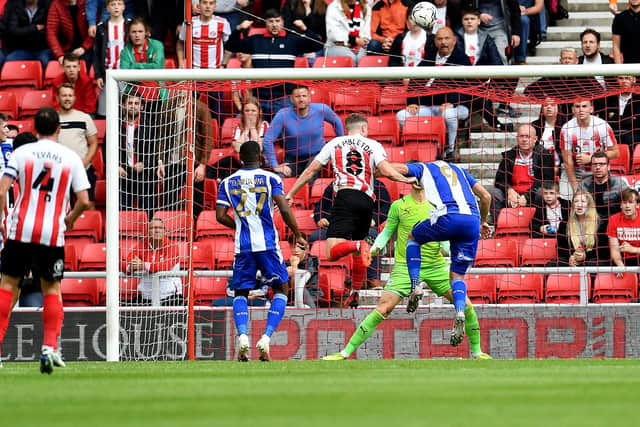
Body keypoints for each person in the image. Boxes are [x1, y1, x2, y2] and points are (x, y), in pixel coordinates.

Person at [323, 184, 491, 360]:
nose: (418, 180)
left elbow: (445, 243)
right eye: (414, 177)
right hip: (405, 265)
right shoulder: (399, 205)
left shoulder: (438, 207)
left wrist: (460, 247)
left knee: (465, 305)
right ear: (409, 181)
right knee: (384, 308)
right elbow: (387, 232)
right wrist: (374, 249)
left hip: (435, 265)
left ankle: (477, 352)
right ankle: (345, 353)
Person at [285, 113, 419, 308]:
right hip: (367, 201)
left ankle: (357, 246)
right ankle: (355, 291)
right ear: (364, 129)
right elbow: (386, 170)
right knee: (358, 254)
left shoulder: (334, 143)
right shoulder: (374, 145)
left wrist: (292, 192)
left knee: (331, 252)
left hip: (346, 196)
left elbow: (310, 171)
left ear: (348, 128)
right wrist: (406, 180)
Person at [0, 106, 91, 373]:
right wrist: (70, 220)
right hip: (52, 233)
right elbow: (85, 201)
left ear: (35, 128)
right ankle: (49, 348)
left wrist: (1, 219)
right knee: (51, 289)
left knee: (7, 286)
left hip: (20, 229)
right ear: (59, 129)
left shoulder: (21, 153)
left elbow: (3, 188)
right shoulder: (70, 157)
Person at [216, 140, 306, 362]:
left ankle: (243, 337)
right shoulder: (271, 178)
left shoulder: (227, 182)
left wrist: (239, 225)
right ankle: (265, 338)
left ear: (240, 158)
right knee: (282, 289)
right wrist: (298, 233)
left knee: (240, 293)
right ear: (261, 156)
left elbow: (219, 215)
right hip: (268, 245)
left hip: (243, 247)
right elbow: (283, 207)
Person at [390, 160, 492, 345]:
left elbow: (399, 168)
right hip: (471, 222)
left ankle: (415, 285)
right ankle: (460, 311)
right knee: (457, 276)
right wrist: (483, 222)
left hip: (449, 217)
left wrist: (380, 168)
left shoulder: (424, 167)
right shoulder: (460, 169)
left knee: (413, 237)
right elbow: (486, 197)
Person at [226, 9, 321, 119]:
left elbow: (318, 45)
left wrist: (304, 29)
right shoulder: (255, 40)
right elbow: (230, 46)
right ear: (265, 23)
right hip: (259, 99)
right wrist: (238, 29)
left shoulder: (292, 41)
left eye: (277, 21)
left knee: (284, 134)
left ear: (283, 22)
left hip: (283, 99)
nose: (274, 25)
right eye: (271, 21)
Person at [398, 26, 471, 160]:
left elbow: (466, 86)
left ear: (454, 40)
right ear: (435, 42)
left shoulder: (462, 59)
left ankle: (450, 149)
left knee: (448, 114)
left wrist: (452, 103)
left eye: (447, 38)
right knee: (402, 115)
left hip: (457, 107)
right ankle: (421, 147)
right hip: (430, 107)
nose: (443, 42)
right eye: (440, 39)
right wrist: (413, 102)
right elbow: (415, 82)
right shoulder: (429, 58)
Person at [262, 85, 344, 177]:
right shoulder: (283, 114)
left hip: (317, 155)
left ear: (309, 97)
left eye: (304, 96)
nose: (301, 99)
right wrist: (275, 165)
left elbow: (337, 121)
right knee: (279, 177)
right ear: (291, 99)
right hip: (293, 158)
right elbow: (267, 140)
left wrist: (339, 145)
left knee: (309, 175)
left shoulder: (321, 109)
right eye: (297, 97)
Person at [176, 0, 231, 122]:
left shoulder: (222, 23)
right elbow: (180, 43)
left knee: (217, 114)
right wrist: (181, 62)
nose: (207, 6)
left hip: (215, 74)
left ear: (215, 6)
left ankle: (218, 139)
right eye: (204, 3)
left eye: (211, 3)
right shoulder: (189, 23)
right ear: (198, 5)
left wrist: (223, 64)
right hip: (194, 74)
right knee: (190, 112)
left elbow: (229, 47)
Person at [492, 123, 555, 219]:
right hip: (513, 195)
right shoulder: (509, 156)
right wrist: (509, 191)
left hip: (534, 194)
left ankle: (539, 227)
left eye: (528, 137)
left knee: (542, 192)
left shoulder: (544, 155)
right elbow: (499, 180)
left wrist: (526, 196)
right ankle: (499, 228)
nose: (524, 140)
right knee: (495, 193)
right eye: (521, 136)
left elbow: (546, 180)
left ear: (535, 139)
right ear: (517, 138)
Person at [560, 99, 619, 200]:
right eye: (577, 107)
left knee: (605, 198)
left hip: (598, 170)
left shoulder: (602, 126)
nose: (580, 110)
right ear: (573, 110)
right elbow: (567, 161)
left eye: (584, 106)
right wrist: (575, 188)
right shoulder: (566, 129)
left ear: (591, 109)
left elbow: (615, 153)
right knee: (567, 197)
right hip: (575, 171)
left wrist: (591, 158)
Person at [124, 218, 184, 305]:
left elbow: (164, 266)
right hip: (146, 297)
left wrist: (143, 265)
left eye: (160, 228)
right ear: (148, 231)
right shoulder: (141, 245)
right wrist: (131, 266)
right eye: (153, 228)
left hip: (170, 297)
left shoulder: (172, 246)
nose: (157, 231)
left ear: (165, 231)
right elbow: (126, 262)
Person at [118, 92, 161, 214]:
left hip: (145, 176)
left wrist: (145, 164)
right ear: (123, 105)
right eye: (130, 103)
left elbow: (157, 151)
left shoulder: (150, 126)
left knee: (148, 212)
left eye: (136, 103)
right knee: (122, 213)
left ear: (142, 106)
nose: (133, 106)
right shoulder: (116, 125)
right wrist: (117, 166)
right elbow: (107, 149)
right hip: (123, 175)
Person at [56, 83, 99, 206]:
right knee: (61, 207)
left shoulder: (84, 118)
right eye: (64, 95)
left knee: (87, 205)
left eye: (70, 95)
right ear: (58, 98)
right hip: (60, 171)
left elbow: (94, 142)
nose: (67, 98)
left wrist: (85, 162)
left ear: (74, 98)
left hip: (83, 170)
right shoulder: (53, 118)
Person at [550, 190, 609, 267]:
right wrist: (571, 257)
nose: (579, 204)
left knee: (592, 263)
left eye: (583, 201)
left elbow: (604, 251)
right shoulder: (565, 223)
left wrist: (585, 256)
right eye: (576, 201)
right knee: (552, 264)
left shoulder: (601, 223)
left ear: (589, 205)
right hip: (572, 259)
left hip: (592, 259)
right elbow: (560, 248)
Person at [93, 0, 131, 117]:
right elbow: (97, 54)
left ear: (124, 7)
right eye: (113, 4)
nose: (116, 7)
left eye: (119, 4)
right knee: (106, 113)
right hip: (108, 74)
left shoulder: (129, 25)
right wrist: (98, 75)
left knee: (126, 111)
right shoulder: (102, 27)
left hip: (126, 75)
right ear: (107, 8)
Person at [578, 152, 628, 231]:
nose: (598, 167)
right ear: (591, 167)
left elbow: (628, 204)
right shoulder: (583, 185)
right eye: (595, 164)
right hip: (590, 224)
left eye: (601, 164)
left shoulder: (619, 184)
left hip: (614, 224)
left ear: (608, 167)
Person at [2, 0, 52, 69]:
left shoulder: (48, 5)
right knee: (9, 61)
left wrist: (25, 32)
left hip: (43, 48)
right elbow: (14, 31)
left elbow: (49, 30)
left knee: (44, 63)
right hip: (23, 48)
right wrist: (34, 28)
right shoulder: (16, 6)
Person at [46, 0, 95, 67]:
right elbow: (51, 32)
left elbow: (95, 28)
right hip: (66, 48)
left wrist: (84, 47)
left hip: (87, 48)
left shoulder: (87, 2)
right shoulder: (56, 4)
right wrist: (59, 54)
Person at [598, 75, 640, 147]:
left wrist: (615, 117)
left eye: (627, 78)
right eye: (621, 78)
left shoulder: (638, 98)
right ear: (617, 80)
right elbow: (604, 119)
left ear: (634, 79)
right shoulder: (608, 98)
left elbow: (637, 122)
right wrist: (628, 119)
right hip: (611, 134)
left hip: (633, 135)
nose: (624, 81)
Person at [325, 0, 371, 65]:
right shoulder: (333, 7)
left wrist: (361, 41)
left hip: (360, 46)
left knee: (362, 59)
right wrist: (354, 40)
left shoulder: (366, 7)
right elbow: (333, 35)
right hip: (335, 46)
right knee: (351, 59)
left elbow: (366, 34)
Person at [282, 0, 327, 65]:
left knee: (314, 62)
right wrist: (303, 31)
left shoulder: (322, 5)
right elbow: (286, 26)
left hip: (315, 48)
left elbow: (321, 33)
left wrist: (308, 10)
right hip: (297, 46)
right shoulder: (291, 3)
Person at [286, 231, 323, 307]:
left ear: (307, 247)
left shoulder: (313, 260)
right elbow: (293, 287)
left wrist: (294, 268)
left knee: (301, 289)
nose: (296, 249)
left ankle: (312, 314)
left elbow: (299, 284)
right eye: (293, 246)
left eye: (299, 246)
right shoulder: (286, 264)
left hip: (312, 296)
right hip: (292, 298)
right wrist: (294, 266)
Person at [608, 188, 640, 269]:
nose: (627, 206)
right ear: (620, 205)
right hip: (623, 258)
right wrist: (620, 265)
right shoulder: (613, 219)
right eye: (624, 203)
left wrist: (633, 249)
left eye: (630, 202)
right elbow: (614, 249)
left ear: (637, 205)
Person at [515, 0, 542, 64]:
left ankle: (520, 59)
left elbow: (538, 7)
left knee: (523, 21)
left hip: (525, 14)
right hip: (505, 12)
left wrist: (524, 11)